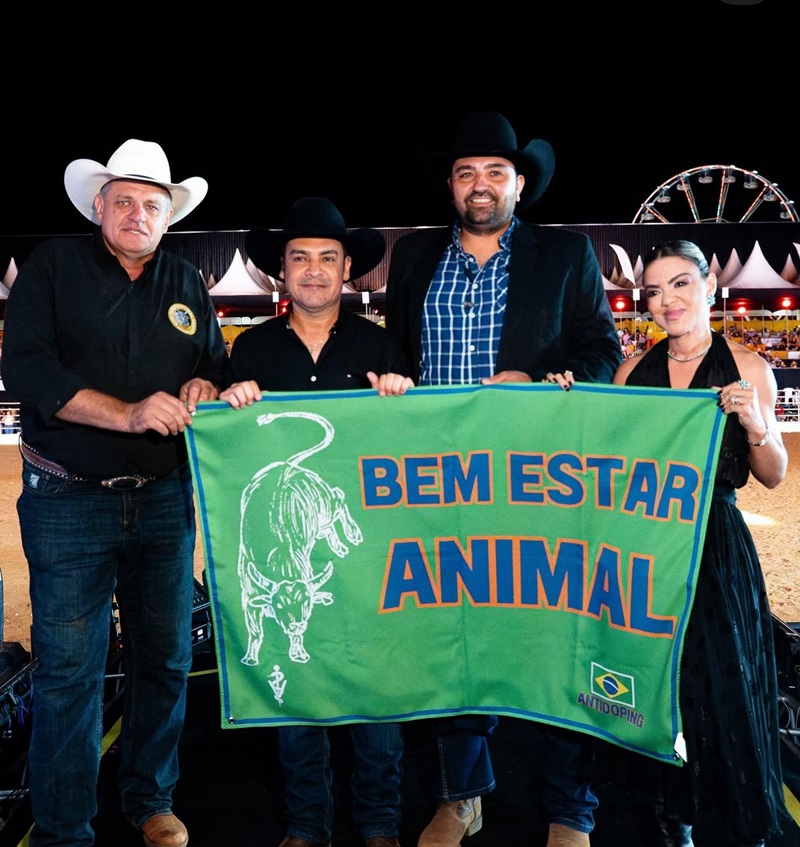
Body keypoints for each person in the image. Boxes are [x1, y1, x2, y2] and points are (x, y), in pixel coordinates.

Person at [371, 111, 623, 847]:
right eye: (464, 172)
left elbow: (601, 352)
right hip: (440, 481)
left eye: (493, 172)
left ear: (519, 183)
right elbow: (398, 351)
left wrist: (545, 380)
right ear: (450, 186)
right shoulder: (414, 258)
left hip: (536, 479)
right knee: (451, 633)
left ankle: (568, 807)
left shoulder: (566, 254)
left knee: (553, 633)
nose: (478, 184)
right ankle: (462, 794)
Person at [1, 139, 228, 847]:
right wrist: (126, 413)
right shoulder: (52, 268)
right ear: (99, 204)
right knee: (70, 670)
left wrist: (204, 387)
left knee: (162, 658)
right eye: (123, 200)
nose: (137, 213)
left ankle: (149, 797)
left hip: (164, 499)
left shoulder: (188, 281)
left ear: (169, 215)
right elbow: (28, 370)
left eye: (151, 204)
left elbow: (214, 370)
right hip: (70, 499)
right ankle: (66, 827)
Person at [220, 196, 414, 847]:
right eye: (299, 257)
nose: (312, 270)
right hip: (281, 557)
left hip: (360, 551)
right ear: (281, 270)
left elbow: (409, 450)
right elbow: (230, 451)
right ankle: (307, 823)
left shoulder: (383, 345)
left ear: (348, 268)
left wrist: (398, 399)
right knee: (292, 683)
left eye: (326, 259)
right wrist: (232, 400)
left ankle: (379, 822)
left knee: (374, 688)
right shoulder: (249, 350)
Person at [613, 240, 791, 847]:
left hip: (715, 546)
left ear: (709, 287)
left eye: (680, 284)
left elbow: (773, 475)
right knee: (661, 680)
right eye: (655, 291)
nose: (667, 301)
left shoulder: (750, 368)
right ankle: (669, 813)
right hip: (648, 543)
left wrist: (756, 425)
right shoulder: (630, 374)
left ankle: (731, 815)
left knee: (724, 682)